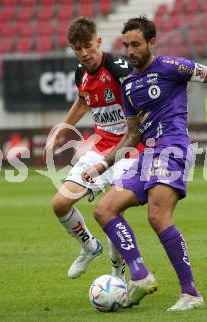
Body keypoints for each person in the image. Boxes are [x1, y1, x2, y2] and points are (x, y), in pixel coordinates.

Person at [82, 16, 207, 311]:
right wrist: (101, 165)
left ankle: (191, 293)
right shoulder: (128, 87)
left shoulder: (171, 67)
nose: (130, 51)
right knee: (104, 209)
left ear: (151, 42)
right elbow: (132, 134)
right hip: (147, 154)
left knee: (157, 216)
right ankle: (139, 275)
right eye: (126, 45)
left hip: (173, 148)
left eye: (136, 44)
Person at [44, 17, 137, 281]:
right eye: (77, 48)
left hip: (131, 148)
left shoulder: (119, 69)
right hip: (100, 145)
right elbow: (84, 103)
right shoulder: (80, 73)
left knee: (111, 210)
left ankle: (118, 271)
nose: (84, 53)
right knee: (60, 203)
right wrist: (62, 129)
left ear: (98, 42)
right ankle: (89, 247)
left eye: (88, 46)